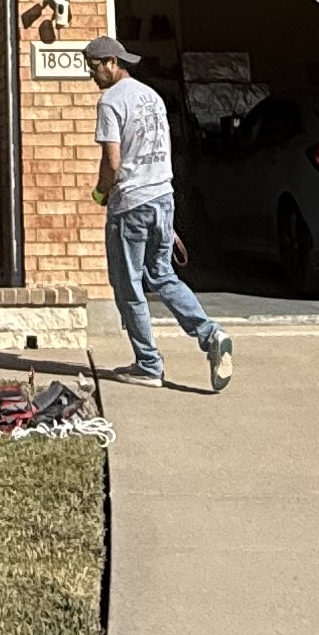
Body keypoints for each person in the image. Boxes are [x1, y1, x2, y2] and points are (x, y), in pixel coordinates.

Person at [85, 37, 232, 393]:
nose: (91, 75)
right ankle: (211, 334)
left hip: (131, 204)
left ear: (110, 63)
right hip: (162, 197)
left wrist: (101, 193)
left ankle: (148, 365)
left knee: (128, 285)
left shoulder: (111, 102)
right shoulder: (152, 96)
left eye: (93, 67)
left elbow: (113, 162)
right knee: (163, 275)